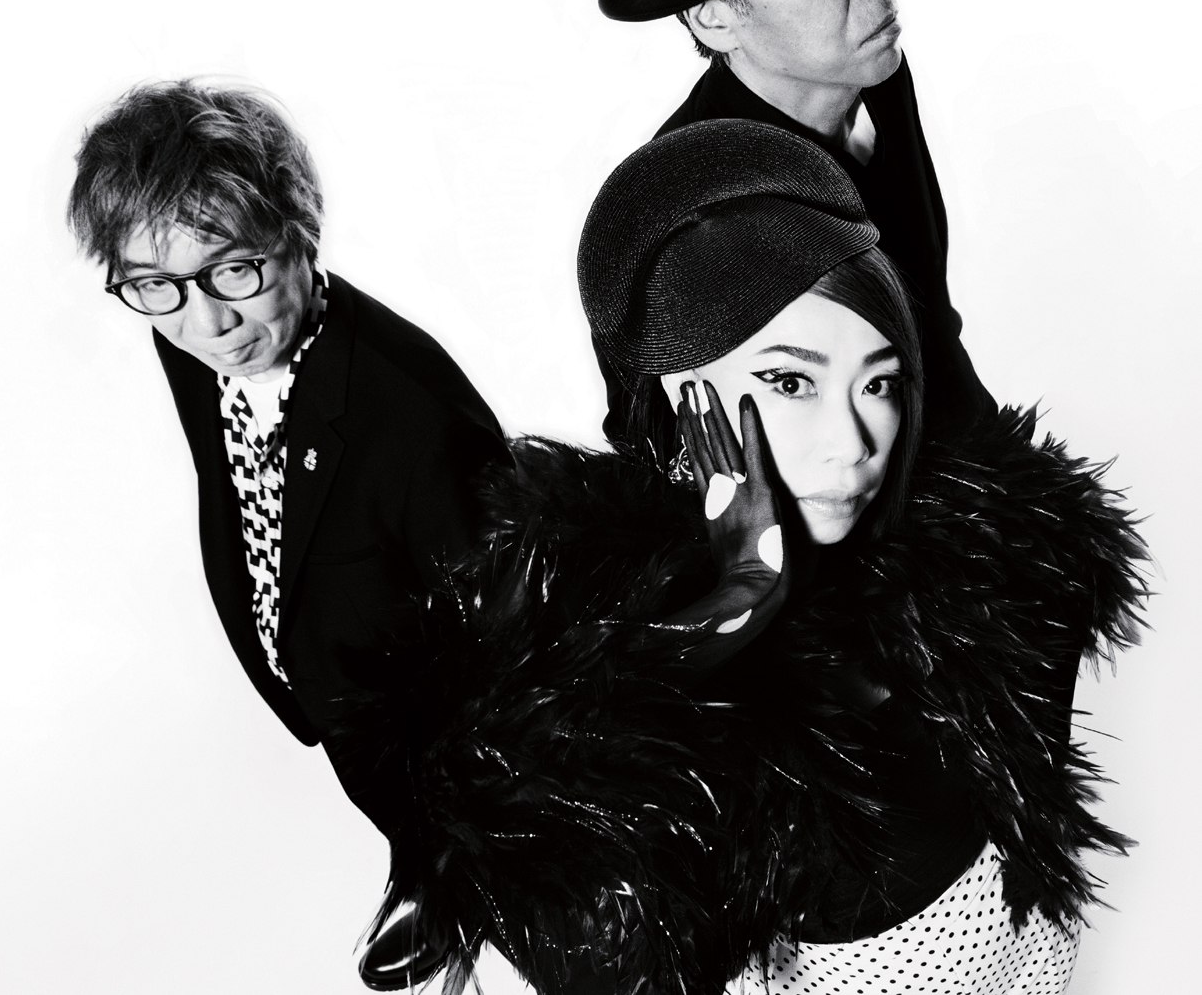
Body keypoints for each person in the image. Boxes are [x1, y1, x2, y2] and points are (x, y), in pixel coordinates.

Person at [343, 120, 1146, 995]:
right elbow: (602, 953)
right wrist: (712, 622)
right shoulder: (572, 648)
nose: (853, 440)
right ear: (685, 395)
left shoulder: (981, 564)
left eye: (879, 382)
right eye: (791, 381)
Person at [66, 80, 510, 989]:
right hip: (360, 726)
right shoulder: (193, 329)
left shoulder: (416, 420)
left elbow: (511, 667)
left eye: (236, 271)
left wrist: (475, 850)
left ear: (298, 232)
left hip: (482, 788)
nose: (209, 323)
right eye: (155, 287)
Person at [597, 0, 993, 443]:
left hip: (968, 461)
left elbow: (930, 332)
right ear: (714, 16)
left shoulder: (873, 71)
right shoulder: (693, 212)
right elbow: (674, 455)